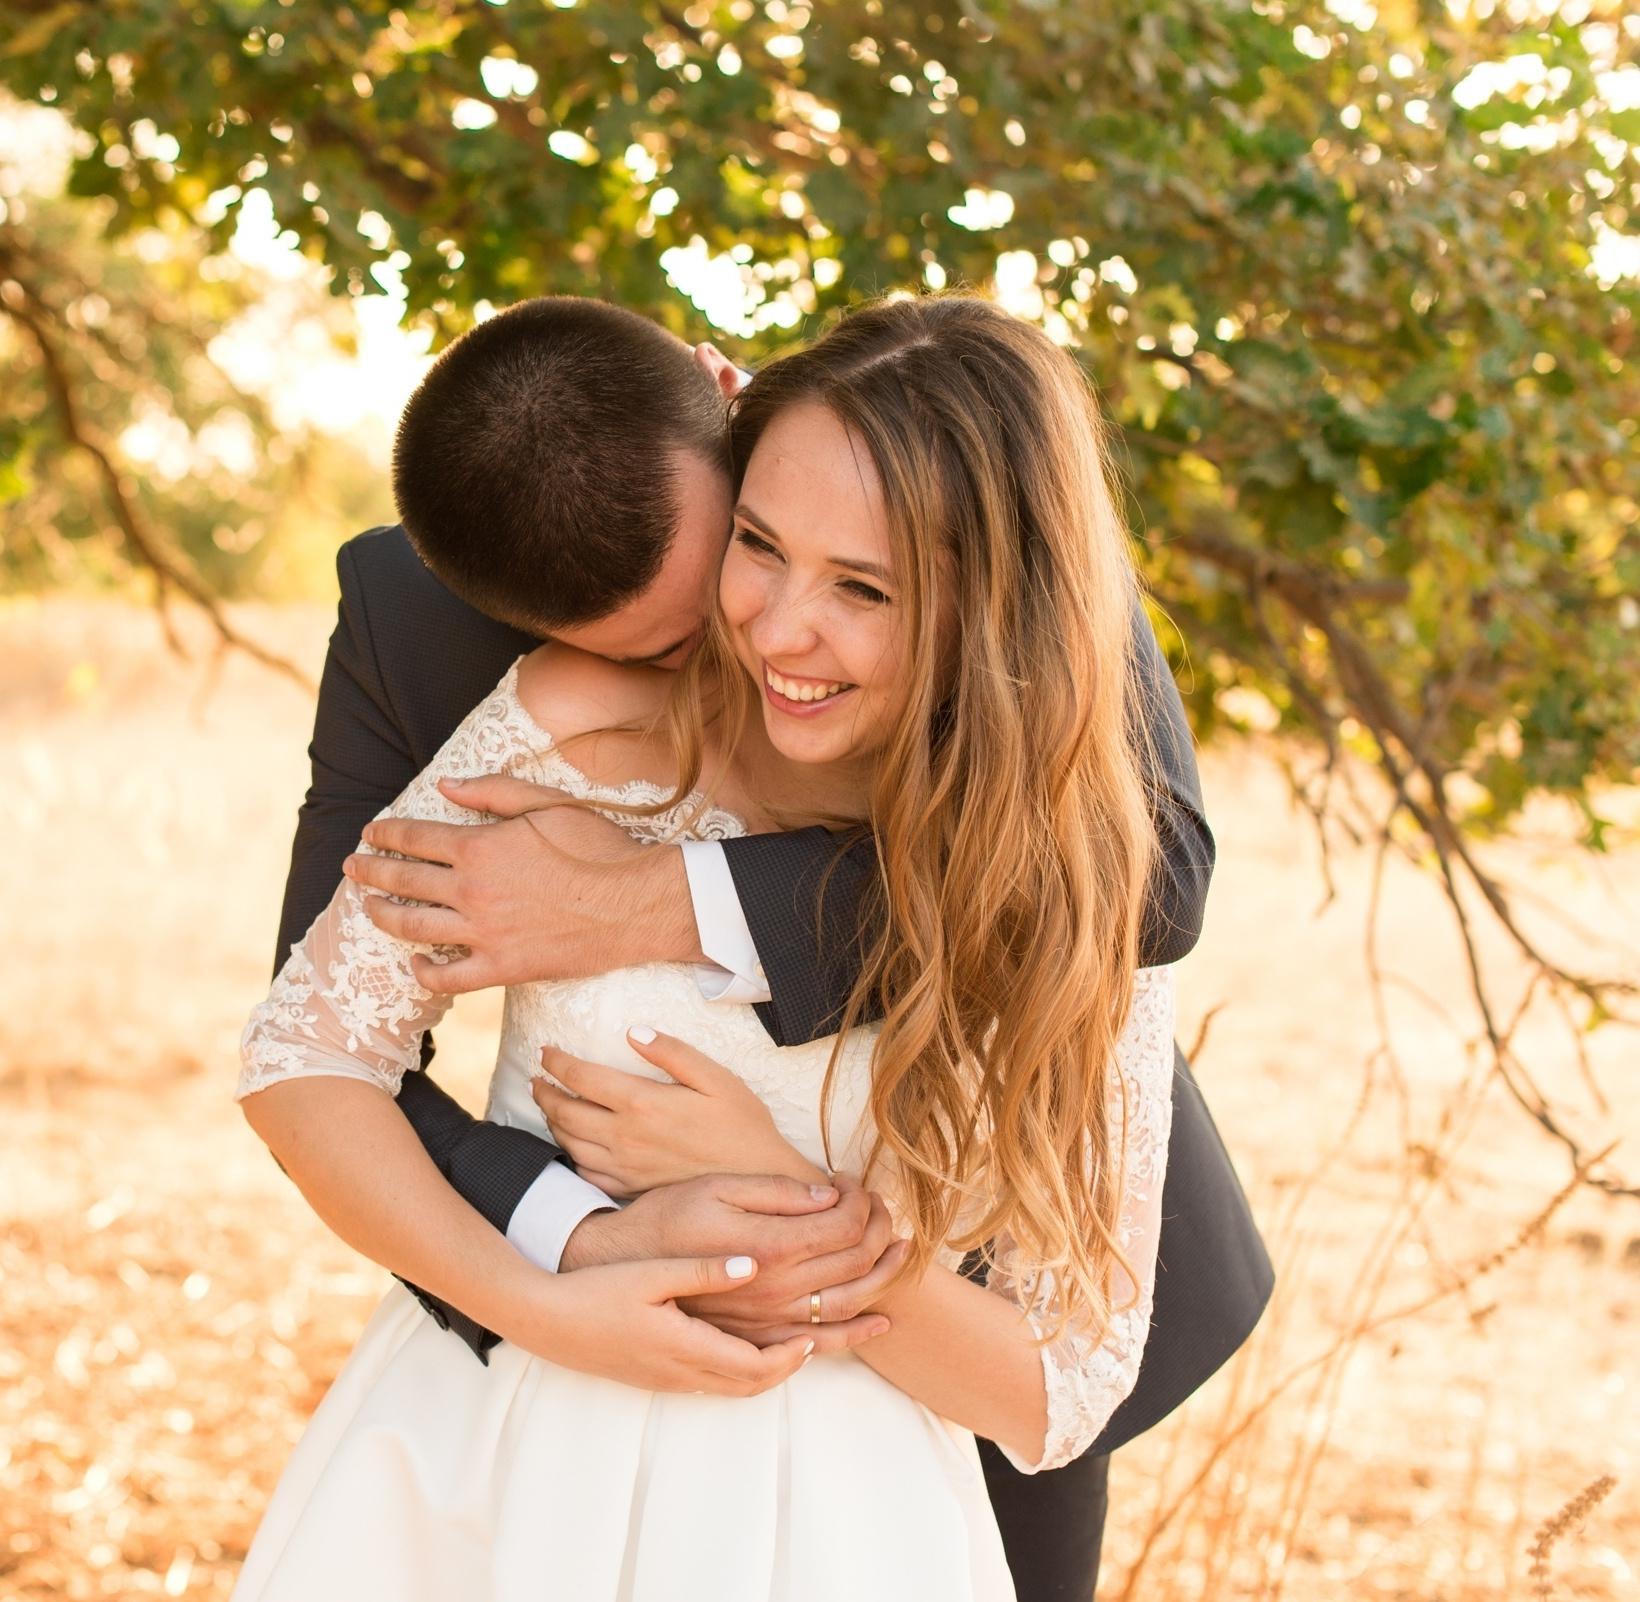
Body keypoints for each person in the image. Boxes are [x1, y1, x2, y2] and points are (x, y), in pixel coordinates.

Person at [249, 297, 1274, 1599]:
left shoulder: (970, 505)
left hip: (889, 1453)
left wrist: (662, 920)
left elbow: (1140, 891)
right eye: (755, 555)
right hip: (525, 1452)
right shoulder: (535, 685)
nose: (765, 637)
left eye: (860, 587)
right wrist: (562, 1262)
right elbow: (312, 1041)